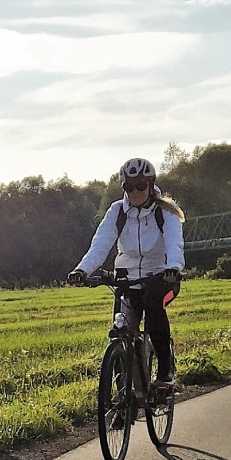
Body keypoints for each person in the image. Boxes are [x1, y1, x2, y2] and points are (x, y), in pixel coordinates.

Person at [68, 158, 185, 387]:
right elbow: (100, 244)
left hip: (161, 276)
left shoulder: (165, 212)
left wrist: (174, 267)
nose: (135, 191)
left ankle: (164, 372)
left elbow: (174, 243)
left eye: (140, 185)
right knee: (120, 329)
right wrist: (82, 270)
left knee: (153, 306)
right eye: (129, 187)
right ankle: (123, 398)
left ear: (150, 185)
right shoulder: (117, 211)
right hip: (127, 279)